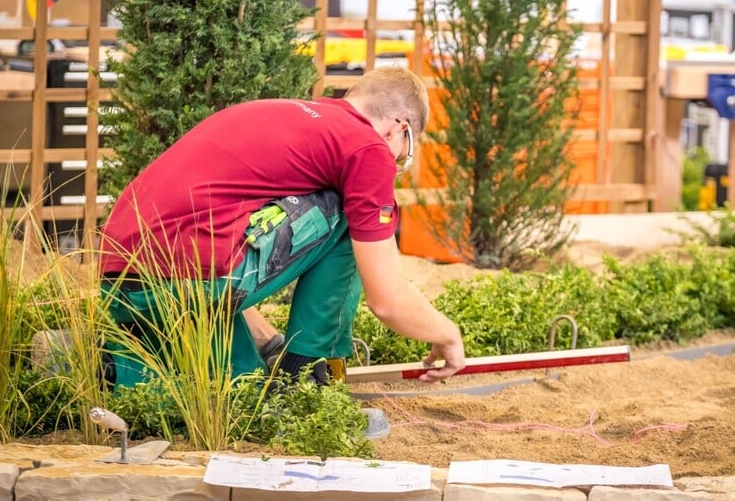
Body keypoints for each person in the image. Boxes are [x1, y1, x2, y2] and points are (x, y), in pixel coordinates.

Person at [98, 66, 466, 388]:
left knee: (240, 386)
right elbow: (387, 301)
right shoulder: (366, 148)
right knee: (347, 215)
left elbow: (215, 228)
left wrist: (266, 339)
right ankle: (307, 372)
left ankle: (102, 368)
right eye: (402, 154)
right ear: (398, 130)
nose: (395, 164)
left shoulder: (288, 115)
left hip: (121, 281)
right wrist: (447, 335)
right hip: (191, 281)